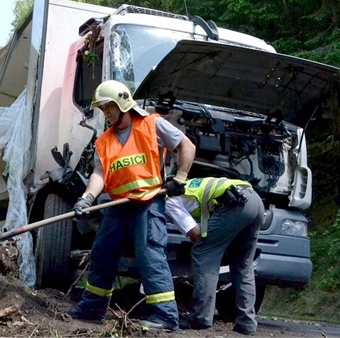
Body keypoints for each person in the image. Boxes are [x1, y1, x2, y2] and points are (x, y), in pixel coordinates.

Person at [67, 80, 196, 331]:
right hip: (119, 205)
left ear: (122, 102)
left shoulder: (151, 124)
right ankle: (92, 307)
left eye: (108, 107)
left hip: (148, 202)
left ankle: (166, 317)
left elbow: (186, 145)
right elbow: (100, 173)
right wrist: (87, 198)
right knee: (102, 253)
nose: (106, 113)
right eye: (102, 109)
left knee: (150, 256)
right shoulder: (104, 141)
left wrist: (180, 178)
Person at [165, 177, 264, 335]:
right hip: (254, 201)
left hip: (235, 204)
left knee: (202, 252)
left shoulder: (168, 201)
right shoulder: (189, 185)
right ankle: (246, 322)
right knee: (243, 264)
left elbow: (195, 234)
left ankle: (200, 318)